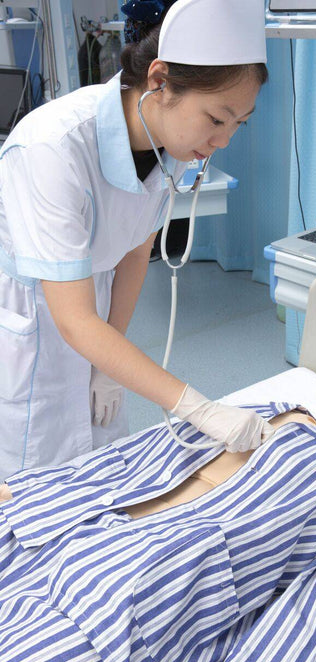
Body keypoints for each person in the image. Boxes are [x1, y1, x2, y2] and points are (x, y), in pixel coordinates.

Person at [0, 372, 316, 662]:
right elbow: (140, 455)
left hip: (128, 599)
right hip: (53, 528)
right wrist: (33, 489)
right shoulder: (274, 410)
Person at [0, 0, 273, 479]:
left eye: (238, 124)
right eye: (216, 119)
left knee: (102, 468)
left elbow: (133, 249)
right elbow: (74, 321)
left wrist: (110, 357)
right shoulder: (52, 148)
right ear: (159, 79)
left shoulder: (172, 142)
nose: (224, 140)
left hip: (93, 308)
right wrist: (200, 409)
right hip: (32, 315)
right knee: (31, 486)